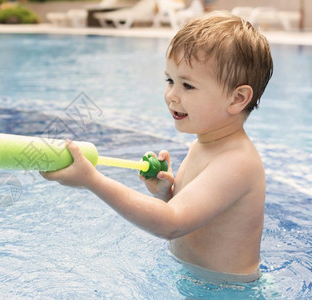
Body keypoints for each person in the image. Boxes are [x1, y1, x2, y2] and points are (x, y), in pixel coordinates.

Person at [41, 11, 273, 283]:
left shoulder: (236, 162)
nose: (171, 95)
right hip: (197, 281)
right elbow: (189, 214)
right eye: (170, 80)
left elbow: (171, 224)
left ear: (238, 98)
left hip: (229, 291)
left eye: (187, 85)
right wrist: (167, 194)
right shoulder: (204, 145)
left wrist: (92, 180)